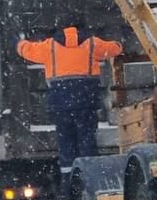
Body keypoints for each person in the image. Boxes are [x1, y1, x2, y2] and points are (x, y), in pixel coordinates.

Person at [16, 24, 122, 187]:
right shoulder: (92, 44)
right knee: (87, 143)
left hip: (61, 106)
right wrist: (119, 44)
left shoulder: (50, 46)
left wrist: (19, 43)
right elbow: (115, 49)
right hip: (86, 104)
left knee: (66, 145)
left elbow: (27, 50)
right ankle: (91, 181)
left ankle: (69, 185)